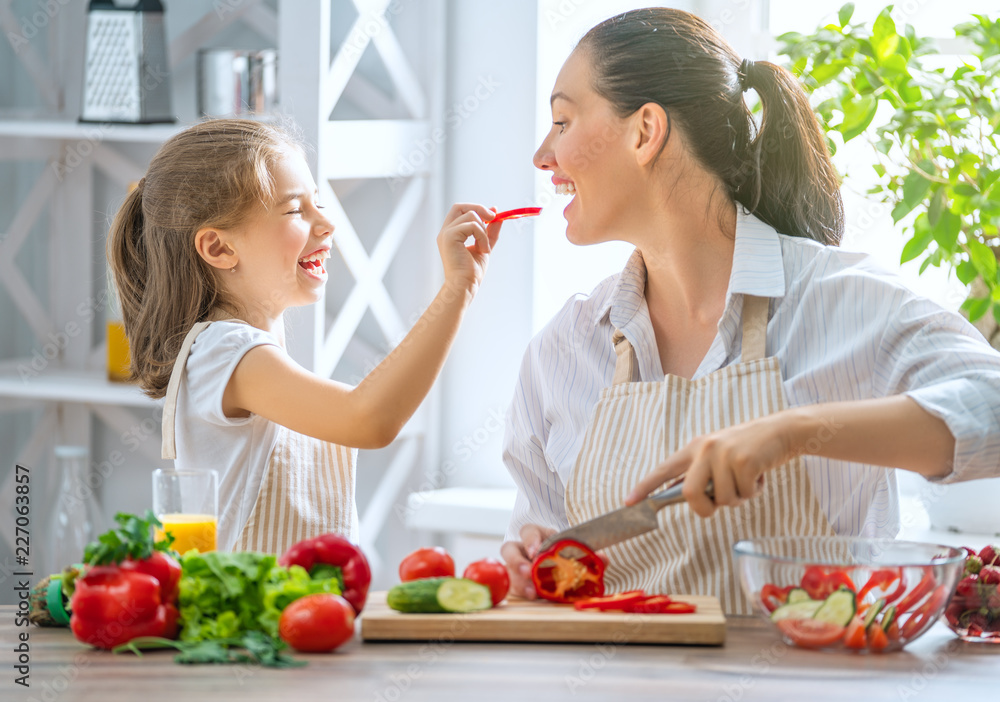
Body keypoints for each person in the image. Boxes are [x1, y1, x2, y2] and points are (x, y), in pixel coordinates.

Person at [500, 8, 1000, 614]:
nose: (542, 155)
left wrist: (794, 430)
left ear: (644, 132)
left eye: (562, 121)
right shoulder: (564, 348)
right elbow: (548, 554)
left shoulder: (840, 298)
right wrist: (532, 561)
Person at [108, 118, 503, 554]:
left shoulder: (241, 351)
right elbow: (368, 419)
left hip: (300, 610)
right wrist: (456, 290)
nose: (327, 223)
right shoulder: (225, 352)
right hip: (255, 617)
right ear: (219, 248)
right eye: (297, 210)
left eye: (319, 202)